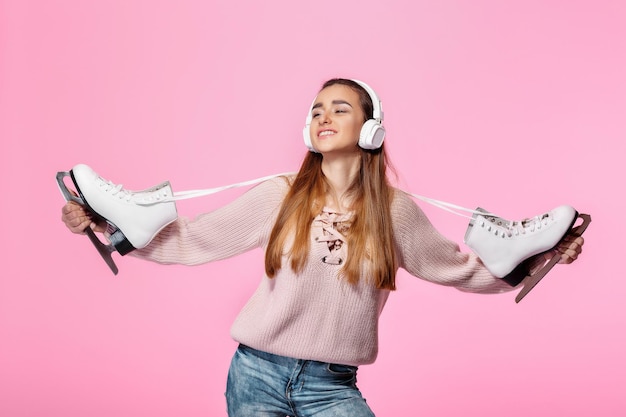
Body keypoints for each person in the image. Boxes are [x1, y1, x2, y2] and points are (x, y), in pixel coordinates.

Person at [60, 78, 585, 416]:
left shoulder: (393, 211)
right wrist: (105, 226)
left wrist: (541, 259)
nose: (323, 117)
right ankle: (128, 207)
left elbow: (460, 270)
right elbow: (196, 240)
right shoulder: (279, 196)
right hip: (255, 374)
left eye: (339, 109)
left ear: (372, 129)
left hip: (332, 386)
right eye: (316, 111)